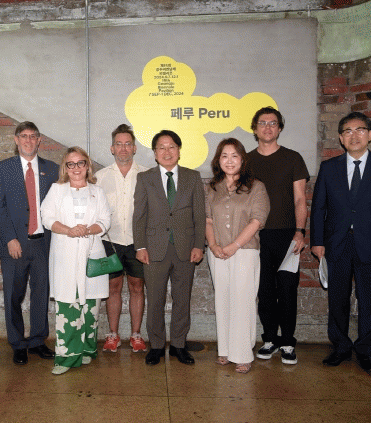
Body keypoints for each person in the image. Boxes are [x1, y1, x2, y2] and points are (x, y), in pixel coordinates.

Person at [311, 112, 371, 374]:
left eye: (360, 129)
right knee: (337, 298)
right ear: (341, 138)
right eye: (347, 131)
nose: (354, 135)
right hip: (336, 244)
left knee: (369, 299)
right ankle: (340, 346)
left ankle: (366, 350)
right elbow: (318, 208)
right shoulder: (329, 168)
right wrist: (317, 241)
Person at [133, 129, 206, 366]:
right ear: (155, 153)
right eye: (161, 148)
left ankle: (178, 345)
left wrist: (199, 245)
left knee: (182, 299)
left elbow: (199, 215)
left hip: (186, 248)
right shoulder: (145, 178)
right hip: (154, 249)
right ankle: (156, 345)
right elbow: (139, 216)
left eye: (172, 146)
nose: (167, 152)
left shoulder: (192, 177)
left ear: (179, 151)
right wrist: (140, 247)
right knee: (155, 299)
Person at [0, 121, 59, 365]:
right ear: (16, 139)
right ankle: (18, 343)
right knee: (13, 295)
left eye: (33, 136)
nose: (28, 140)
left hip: (43, 244)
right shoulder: (4, 168)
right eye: (24, 136)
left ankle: (38, 341)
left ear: (39, 140)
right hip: (15, 244)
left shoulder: (52, 169)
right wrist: (10, 238)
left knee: (41, 294)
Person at [40, 147, 111, 375]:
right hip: (65, 253)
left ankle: (87, 349)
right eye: (71, 164)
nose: (76, 168)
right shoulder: (57, 190)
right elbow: (47, 217)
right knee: (68, 305)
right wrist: (69, 230)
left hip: (92, 253)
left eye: (81, 163)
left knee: (91, 306)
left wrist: (87, 230)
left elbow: (105, 220)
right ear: (65, 167)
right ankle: (67, 358)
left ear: (87, 166)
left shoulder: (97, 191)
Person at [247, 106, 309, 365]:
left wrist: (300, 232)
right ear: (255, 129)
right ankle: (270, 338)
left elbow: (300, 199)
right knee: (263, 290)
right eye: (262, 123)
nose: (268, 127)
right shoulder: (246, 161)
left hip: (287, 236)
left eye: (273, 123)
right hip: (256, 236)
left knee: (287, 289)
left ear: (280, 128)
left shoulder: (293, 158)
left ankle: (288, 342)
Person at [205, 138, 270, 374]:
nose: (229, 160)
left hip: (244, 252)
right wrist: (213, 245)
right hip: (217, 252)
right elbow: (208, 220)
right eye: (224, 156)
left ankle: (242, 354)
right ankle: (225, 349)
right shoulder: (212, 187)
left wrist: (234, 246)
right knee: (222, 299)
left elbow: (257, 220)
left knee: (243, 301)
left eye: (234, 156)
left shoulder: (256, 187)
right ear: (218, 160)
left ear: (243, 159)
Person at [94, 124, 148, 353]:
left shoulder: (147, 175)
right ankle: (113, 335)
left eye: (128, 144)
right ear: (112, 148)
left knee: (137, 287)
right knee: (112, 287)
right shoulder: (100, 177)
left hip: (138, 242)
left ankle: (136, 335)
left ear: (134, 148)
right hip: (110, 241)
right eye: (119, 144)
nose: (123, 148)